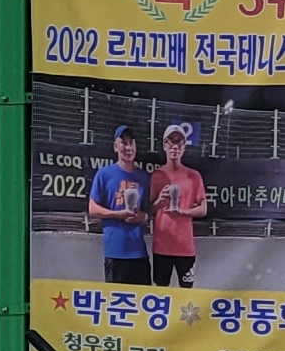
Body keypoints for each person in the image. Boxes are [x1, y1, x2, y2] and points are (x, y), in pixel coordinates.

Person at [87, 127, 153, 287]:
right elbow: (93, 208)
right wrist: (118, 214)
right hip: (115, 252)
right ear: (115, 147)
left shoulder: (143, 177)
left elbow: (148, 211)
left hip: (138, 252)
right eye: (123, 143)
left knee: (141, 299)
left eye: (131, 143)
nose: (128, 148)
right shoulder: (104, 174)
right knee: (116, 300)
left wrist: (142, 217)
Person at [148, 122, 207, 288]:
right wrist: (159, 201)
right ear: (164, 145)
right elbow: (149, 209)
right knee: (161, 292)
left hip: (185, 247)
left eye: (179, 142)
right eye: (170, 141)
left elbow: (203, 209)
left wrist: (183, 212)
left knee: (186, 293)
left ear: (184, 147)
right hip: (162, 246)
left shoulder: (193, 176)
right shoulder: (157, 175)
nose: (174, 146)